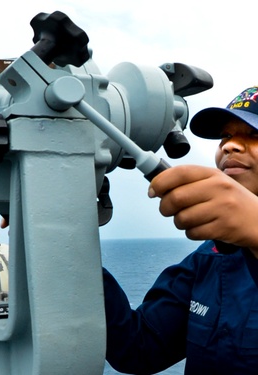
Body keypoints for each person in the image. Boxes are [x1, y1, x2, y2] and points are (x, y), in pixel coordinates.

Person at [104, 86, 258, 374]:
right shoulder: (209, 257)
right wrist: (64, 235)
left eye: (254, 135)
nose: (229, 146)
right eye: (226, 136)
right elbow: (139, 349)